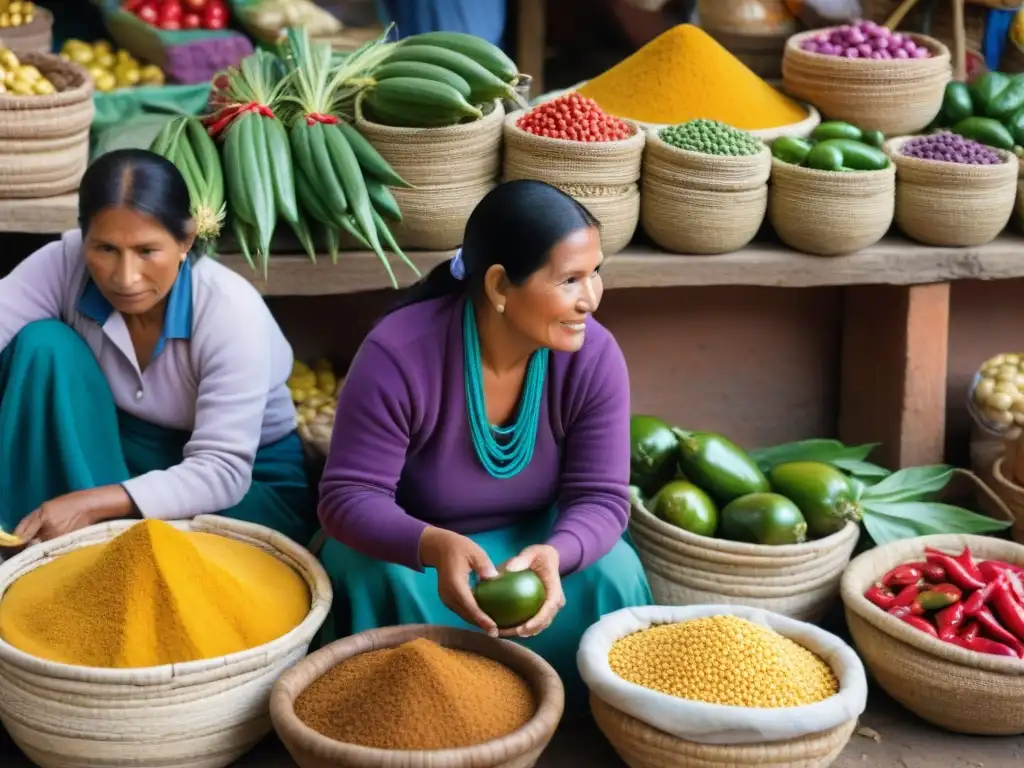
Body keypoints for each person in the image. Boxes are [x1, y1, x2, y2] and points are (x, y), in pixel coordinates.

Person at [317, 179, 653, 710]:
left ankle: (590, 722)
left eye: (596, 273)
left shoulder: (594, 356)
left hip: (534, 549)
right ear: (499, 286)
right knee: (365, 574)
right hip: (417, 554)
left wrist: (558, 554)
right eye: (569, 279)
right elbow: (348, 497)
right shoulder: (400, 352)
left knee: (614, 571)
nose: (590, 299)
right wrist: (432, 544)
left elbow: (601, 498)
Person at [0, 149, 313, 546]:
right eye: (105, 249)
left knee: (179, 563)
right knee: (44, 347)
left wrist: (91, 502)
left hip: (240, 487)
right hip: (116, 451)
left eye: (147, 251)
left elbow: (223, 471)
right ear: (84, 237)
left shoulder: (229, 310)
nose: (126, 277)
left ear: (186, 239)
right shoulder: (65, 263)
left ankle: (91, 548)